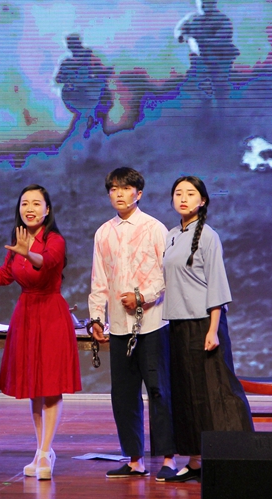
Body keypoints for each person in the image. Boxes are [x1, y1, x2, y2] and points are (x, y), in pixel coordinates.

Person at [88, 167, 178, 481]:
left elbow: (166, 275)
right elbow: (99, 280)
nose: (119, 194)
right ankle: (135, 460)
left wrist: (142, 297)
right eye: (113, 189)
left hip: (152, 323)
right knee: (124, 395)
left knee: (159, 391)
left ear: (138, 193)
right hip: (119, 326)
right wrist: (96, 317)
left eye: (126, 188)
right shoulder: (103, 232)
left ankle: (168, 458)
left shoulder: (155, 228)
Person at [161, 176, 253, 482]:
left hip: (204, 323)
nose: (183, 198)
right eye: (178, 193)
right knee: (188, 393)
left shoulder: (209, 236)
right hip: (178, 325)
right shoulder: (172, 235)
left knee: (218, 391)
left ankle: (238, 458)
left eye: (190, 194)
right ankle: (195, 461)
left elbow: (216, 285)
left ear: (202, 201)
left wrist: (213, 330)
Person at [0, 184, 82, 480]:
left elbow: (47, 263)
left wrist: (28, 253)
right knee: (34, 388)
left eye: (36, 203)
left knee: (50, 386)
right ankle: (42, 450)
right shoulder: (18, 239)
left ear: (47, 209)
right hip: (26, 314)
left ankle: (44, 452)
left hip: (51, 314)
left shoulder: (55, 240)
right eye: (25, 203)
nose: (29, 208)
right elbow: (6, 274)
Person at [175, 0, 239, 101]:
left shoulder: (221, 19)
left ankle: (223, 104)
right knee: (193, 82)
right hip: (200, 57)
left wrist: (201, 41)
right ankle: (205, 102)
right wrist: (183, 36)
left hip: (220, 57)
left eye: (207, 2)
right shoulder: (192, 18)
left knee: (220, 83)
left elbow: (223, 37)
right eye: (202, 2)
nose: (204, 5)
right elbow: (179, 30)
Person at [55, 33, 114, 138]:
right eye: (71, 45)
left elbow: (102, 73)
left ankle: (96, 135)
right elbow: (59, 79)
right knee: (83, 122)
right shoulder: (68, 63)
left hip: (95, 97)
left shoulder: (90, 58)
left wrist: (101, 74)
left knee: (96, 117)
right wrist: (71, 77)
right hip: (79, 98)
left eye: (75, 44)